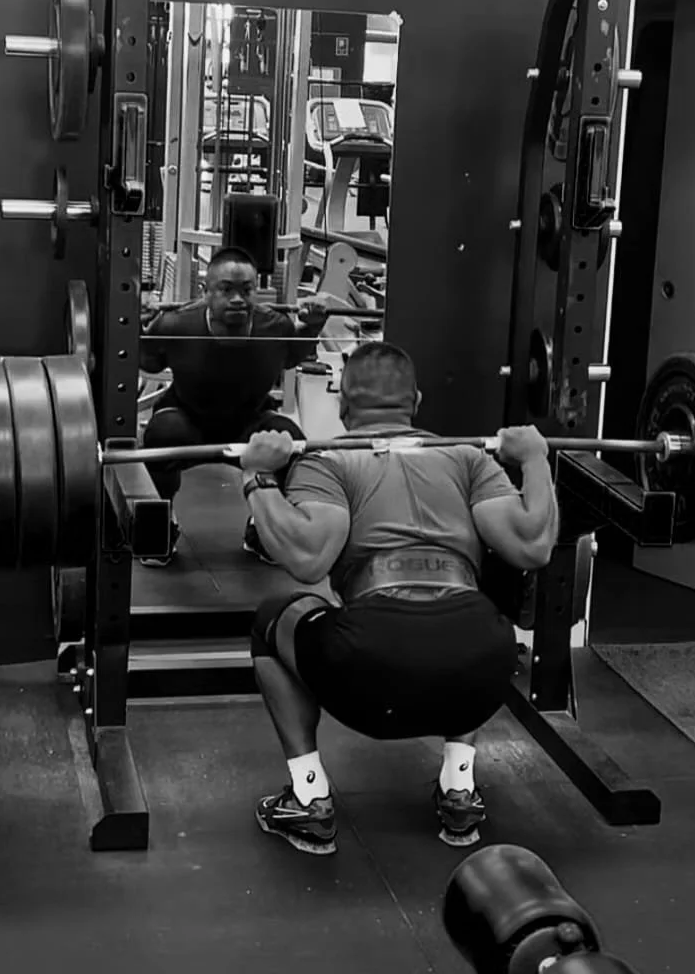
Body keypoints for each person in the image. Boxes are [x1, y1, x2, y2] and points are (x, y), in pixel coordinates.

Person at [238, 341, 559, 855]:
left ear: (343, 404)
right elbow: (532, 544)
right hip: (482, 672)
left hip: (369, 675)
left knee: (273, 617)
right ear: (418, 400)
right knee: (471, 624)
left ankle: (309, 797)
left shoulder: (330, 460)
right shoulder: (466, 455)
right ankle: (459, 788)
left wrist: (258, 475)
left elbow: (307, 559)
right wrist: (537, 459)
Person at [138, 246, 329, 567]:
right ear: (206, 292)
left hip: (249, 424)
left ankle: (263, 529)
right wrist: (135, 325)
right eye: (226, 290)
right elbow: (148, 362)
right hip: (188, 421)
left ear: (258, 290)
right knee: (161, 433)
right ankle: (161, 521)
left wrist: (312, 325)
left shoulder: (276, 327)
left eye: (246, 290)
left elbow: (295, 355)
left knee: (290, 441)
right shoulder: (176, 325)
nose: (238, 299)